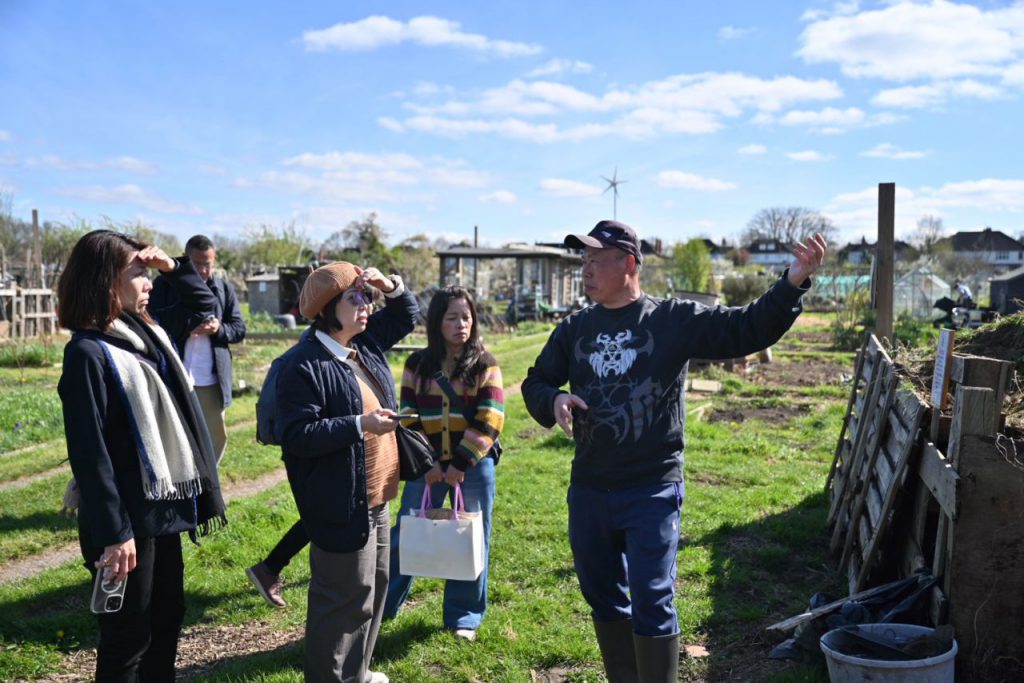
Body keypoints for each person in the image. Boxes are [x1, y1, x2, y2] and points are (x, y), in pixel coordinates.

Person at [521, 220, 826, 682]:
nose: (585, 270)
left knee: (651, 597)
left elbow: (744, 329)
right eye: (582, 261)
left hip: (651, 487)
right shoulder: (575, 328)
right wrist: (554, 399)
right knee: (601, 594)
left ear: (628, 263)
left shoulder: (672, 320)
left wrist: (791, 284)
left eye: (595, 260)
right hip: (589, 489)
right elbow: (535, 381)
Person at [56, 230, 227, 682]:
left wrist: (174, 267)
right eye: (137, 271)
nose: (148, 281)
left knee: (167, 617)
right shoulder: (88, 354)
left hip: (160, 510)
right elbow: (90, 456)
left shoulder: (144, 334)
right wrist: (115, 534)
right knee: (127, 637)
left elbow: (204, 308)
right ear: (105, 281)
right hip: (125, 523)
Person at [273, 262, 417, 683]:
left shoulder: (363, 347)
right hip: (341, 502)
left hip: (377, 495)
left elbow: (406, 313)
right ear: (326, 307)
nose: (366, 304)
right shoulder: (303, 364)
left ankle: (357, 672)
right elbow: (297, 435)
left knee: (374, 589)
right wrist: (360, 425)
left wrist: (387, 285)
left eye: (366, 296)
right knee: (341, 601)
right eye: (354, 297)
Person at [383, 285, 505, 641]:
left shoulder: (486, 365)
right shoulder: (417, 365)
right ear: (436, 321)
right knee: (408, 529)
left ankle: (464, 616)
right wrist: (428, 464)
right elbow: (408, 417)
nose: (460, 324)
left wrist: (460, 464)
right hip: (427, 467)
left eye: (466, 317)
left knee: (472, 535)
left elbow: (490, 418)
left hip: (474, 465)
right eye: (452, 317)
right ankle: (382, 606)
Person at [151, 234, 246, 464]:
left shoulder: (223, 289)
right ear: (185, 260)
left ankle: (208, 484)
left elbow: (239, 329)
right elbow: (152, 324)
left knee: (216, 435)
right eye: (197, 264)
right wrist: (186, 326)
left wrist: (218, 329)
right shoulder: (163, 285)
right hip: (176, 374)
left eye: (208, 264)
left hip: (210, 378)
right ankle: (181, 482)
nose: (203, 270)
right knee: (174, 433)